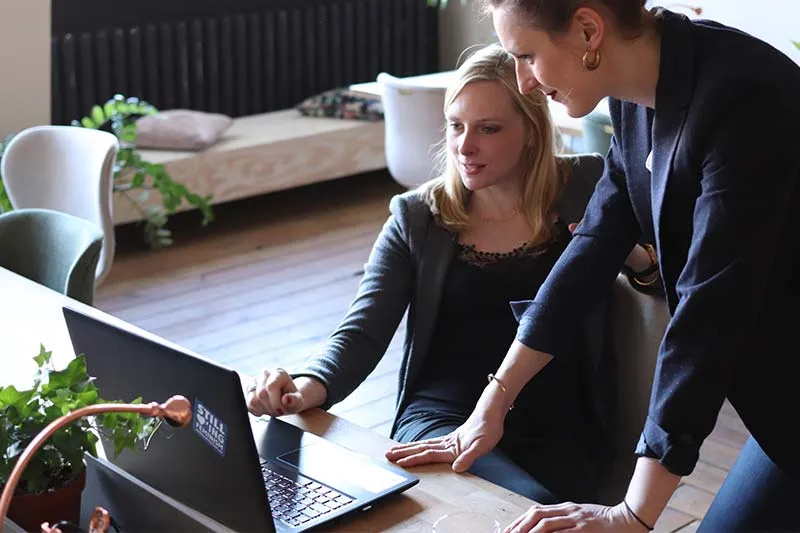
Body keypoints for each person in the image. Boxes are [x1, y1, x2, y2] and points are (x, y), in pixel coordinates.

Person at [386, 2, 800, 532]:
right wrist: (495, 401)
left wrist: (633, 514)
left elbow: (708, 314)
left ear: (588, 30)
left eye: (528, 55)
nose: (525, 81)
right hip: (780, 407)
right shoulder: (636, 99)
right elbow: (592, 249)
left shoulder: (743, 97)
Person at [246, 43, 658, 505]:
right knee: (510, 506)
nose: (465, 146)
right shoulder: (418, 217)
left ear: (531, 130)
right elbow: (361, 331)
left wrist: (633, 257)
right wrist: (304, 388)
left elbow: (664, 283)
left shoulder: (587, 185)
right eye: (456, 126)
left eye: (488, 128)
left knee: (530, 506)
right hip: (443, 418)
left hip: (560, 424)